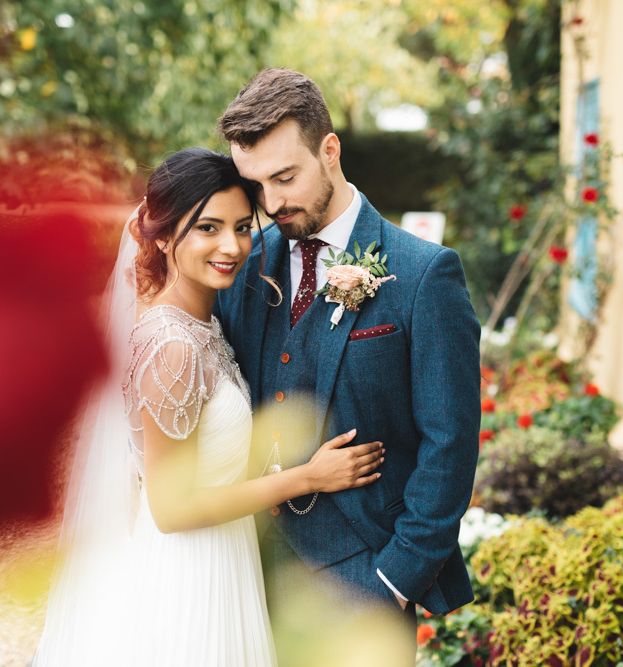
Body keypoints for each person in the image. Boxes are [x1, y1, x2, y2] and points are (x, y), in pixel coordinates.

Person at [33, 148, 384, 667]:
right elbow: (171, 510)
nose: (232, 246)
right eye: (208, 228)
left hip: (224, 557)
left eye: (243, 227)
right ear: (164, 235)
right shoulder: (171, 345)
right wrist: (309, 478)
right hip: (188, 576)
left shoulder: (202, 326)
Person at [216, 69, 481, 641]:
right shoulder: (243, 263)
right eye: (255, 184)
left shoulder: (423, 274)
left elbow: (451, 441)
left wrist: (394, 581)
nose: (271, 202)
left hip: (366, 574)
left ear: (329, 151)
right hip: (243, 572)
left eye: (285, 177)